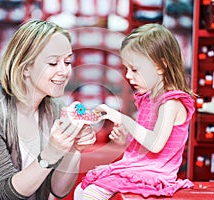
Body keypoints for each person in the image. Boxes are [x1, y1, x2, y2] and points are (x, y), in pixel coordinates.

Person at [0, 19, 96, 200]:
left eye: (68, 61)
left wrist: (74, 149)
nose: (64, 71)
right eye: (53, 63)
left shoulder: (56, 109)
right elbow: (8, 193)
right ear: (25, 67)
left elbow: (58, 190)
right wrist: (51, 152)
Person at [74, 23, 195, 199]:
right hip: (137, 167)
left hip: (154, 173)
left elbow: (155, 144)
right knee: (81, 190)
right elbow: (143, 146)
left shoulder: (170, 102)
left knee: (91, 194)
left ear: (161, 66)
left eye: (135, 69)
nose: (129, 76)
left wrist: (124, 119)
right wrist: (125, 139)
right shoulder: (148, 98)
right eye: (126, 69)